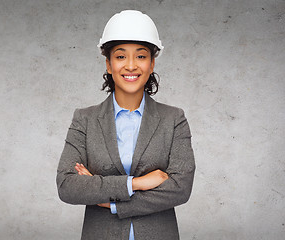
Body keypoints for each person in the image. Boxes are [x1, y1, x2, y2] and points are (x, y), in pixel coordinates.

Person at [56, 10, 195, 240]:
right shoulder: (85, 120)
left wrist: (110, 202)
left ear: (151, 64)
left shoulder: (174, 119)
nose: (131, 66)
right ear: (109, 65)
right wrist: (137, 183)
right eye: (121, 56)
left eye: (141, 56)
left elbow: (180, 188)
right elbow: (67, 185)